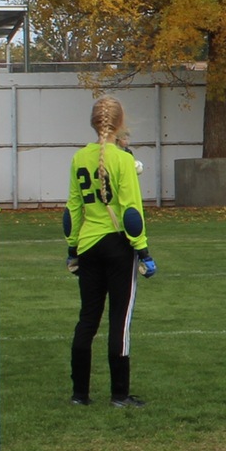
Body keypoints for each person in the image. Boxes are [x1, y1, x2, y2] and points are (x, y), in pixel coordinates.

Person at [65, 96, 153, 407]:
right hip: (118, 246)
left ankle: (80, 395)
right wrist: (142, 251)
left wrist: (72, 248)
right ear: (119, 124)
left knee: (87, 319)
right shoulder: (123, 160)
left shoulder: (79, 158)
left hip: (88, 245)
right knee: (120, 319)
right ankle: (119, 395)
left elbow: (73, 209)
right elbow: (131, 210)